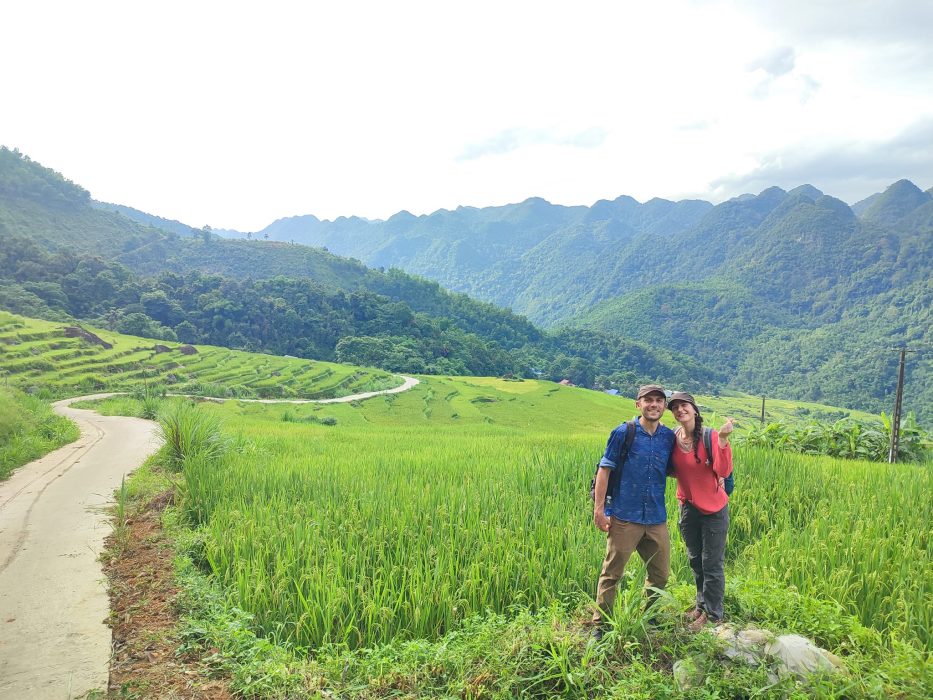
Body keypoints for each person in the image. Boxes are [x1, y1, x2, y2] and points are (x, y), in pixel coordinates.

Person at [592, 384, 676, 637]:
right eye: (648, 400)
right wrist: (599, 509)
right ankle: (601, 625)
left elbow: (675, 469)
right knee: (612, 574)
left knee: (660, 574)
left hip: (655, 517)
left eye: (659, 401)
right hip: (624, 516)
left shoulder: (668, 437)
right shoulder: (623, 432)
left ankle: (649, 617)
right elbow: (604, 470)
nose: (654, 405)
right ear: (637, 404)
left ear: (664, 406)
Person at [667, 391, 734, 630]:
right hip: (689, 508)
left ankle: (714, 615)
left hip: (714, 509)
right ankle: (700, 606)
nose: (680, 410)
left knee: (711, 563)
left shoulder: (710, 437)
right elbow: (671, 469)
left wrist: (724, 440)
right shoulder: (673, 438)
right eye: (675, 407)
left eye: (684, 405)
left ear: (694, 409)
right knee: (695, 559)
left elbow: (723, 470)